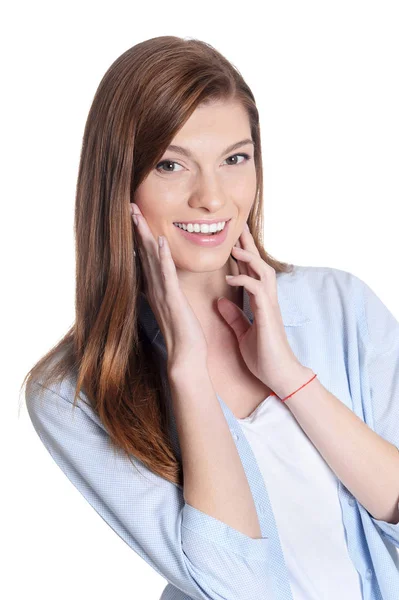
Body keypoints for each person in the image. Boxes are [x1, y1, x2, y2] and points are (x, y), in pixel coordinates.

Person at [21, 36, 399, 600]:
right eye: (171, 165)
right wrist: (188, 372)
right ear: (118, 182)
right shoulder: (74, 392)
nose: (212, 197)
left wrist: (291, 380)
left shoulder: (339, 305)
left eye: (234, 159)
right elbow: (235, 585)